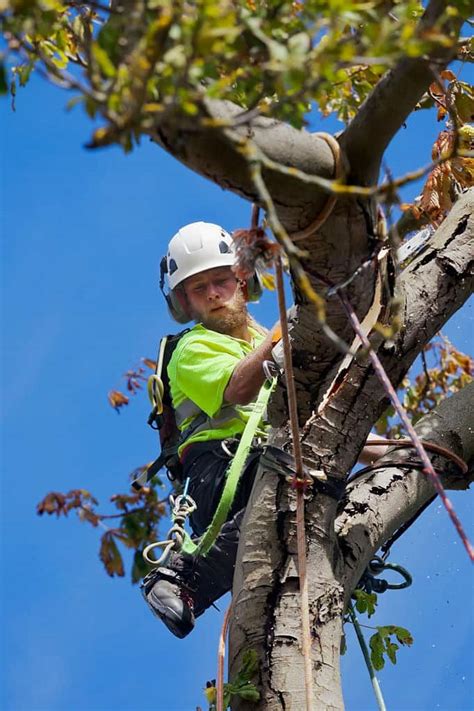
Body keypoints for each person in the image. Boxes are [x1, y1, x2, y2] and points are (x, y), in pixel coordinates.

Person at [141, 221, 386, 638]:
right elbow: (237, 386)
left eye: (221, 280)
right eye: (200, 289)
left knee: (325, 490)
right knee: (288, 482)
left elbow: (322, 411)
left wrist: (403, 452)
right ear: (185, 301)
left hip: (267, 456)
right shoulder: (193, 347)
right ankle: (183, 578)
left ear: (243, 280)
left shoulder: (264, 337)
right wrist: (280, 340)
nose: (215, 294)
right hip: (216, 469)